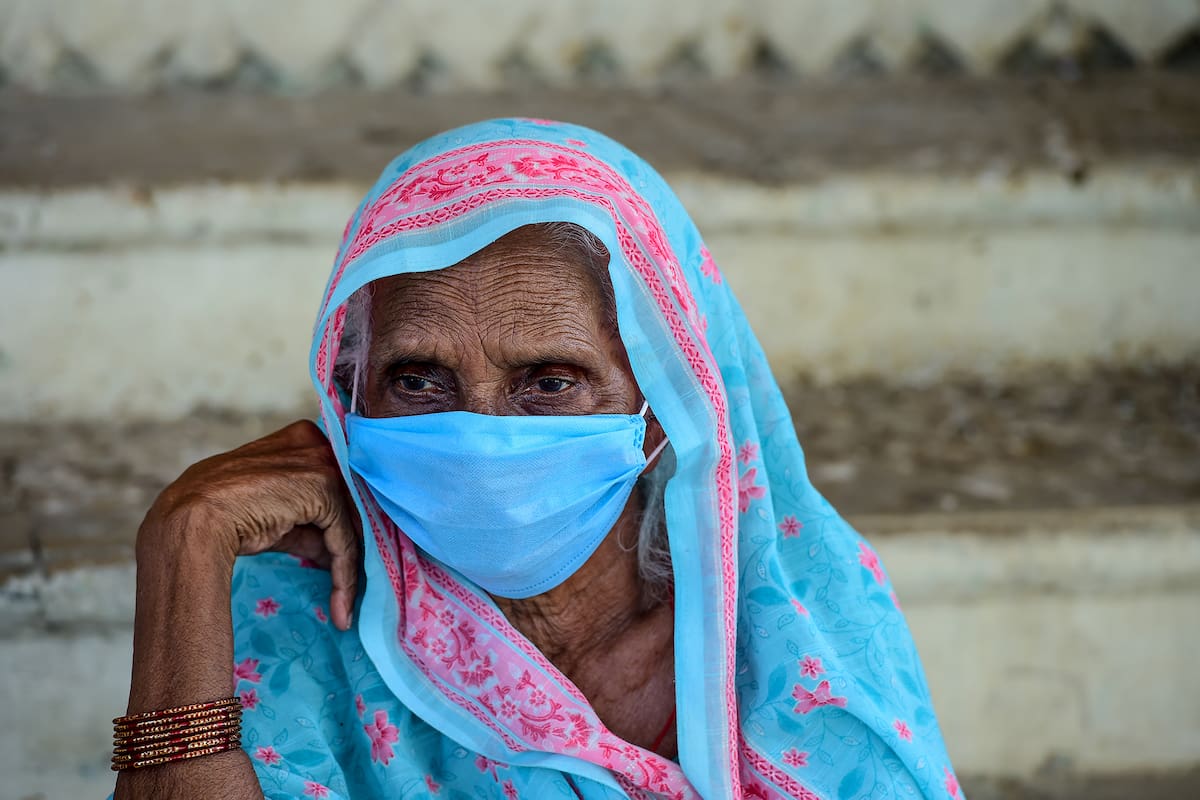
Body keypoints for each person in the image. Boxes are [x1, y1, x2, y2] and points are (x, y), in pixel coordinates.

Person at [112, 119, 962, 799]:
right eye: (417, 380)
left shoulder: (795, 613)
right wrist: (184, 543)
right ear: (350, 396)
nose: (481, 435)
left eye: (549, 382)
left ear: (665, 411)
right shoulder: (291, 621)